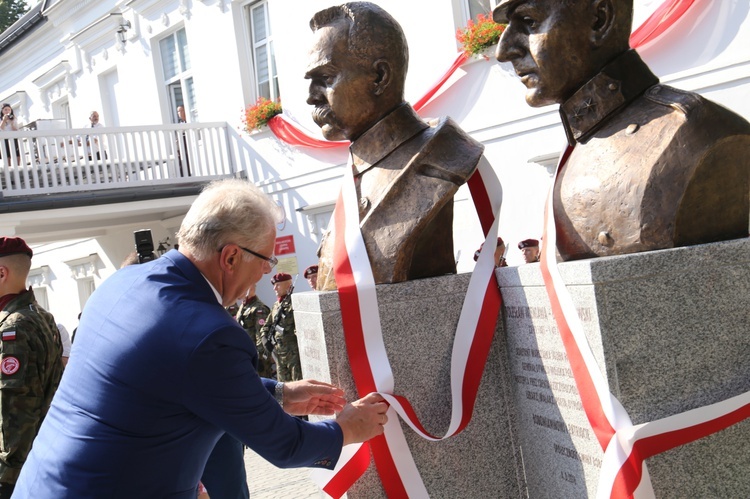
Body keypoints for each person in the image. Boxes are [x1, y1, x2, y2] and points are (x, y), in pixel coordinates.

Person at [14, 178, 388, 497]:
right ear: (229, 258)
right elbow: (285, 445)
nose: (263, 273)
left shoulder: (124, 282)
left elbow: (169, 376)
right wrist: (347, 428)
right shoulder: (209, 332)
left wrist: (280, 393)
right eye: (265, 260)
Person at [494, 0, 750, 261]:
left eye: (529, 22)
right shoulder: (578, 144)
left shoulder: (695, 132)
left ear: (599, 21)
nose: (503, 51)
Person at [307, 2, 485, 290]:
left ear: (380, 77)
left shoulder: (446, 156)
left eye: (325, 78)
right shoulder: (359, 168)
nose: (311, 97)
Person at [0, 237, 63, 499]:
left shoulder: (13, 327)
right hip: (41, 457)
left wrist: (6, 477)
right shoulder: (41, 315)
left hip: (15, 472)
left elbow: (14, 407)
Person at [259, 272, 301, 383]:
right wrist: (265, 340)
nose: (274, 288)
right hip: (279, 354)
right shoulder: (276, 305)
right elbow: (266, 326)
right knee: (283, 386)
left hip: (293, 354)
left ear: (288, 286)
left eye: (277, 285)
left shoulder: (295, 303)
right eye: (274, 285)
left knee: (297, 384)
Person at [236, 283, 274, 378]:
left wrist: (260, 358)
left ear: (253, 288)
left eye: (248, 287)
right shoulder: (243, 306)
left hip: (256, 354)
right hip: (246, 352)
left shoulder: (259, 308)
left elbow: (261, 335)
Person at [176, 105, 191, 176]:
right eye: (178, 111)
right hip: (182, 146)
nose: (180, 113)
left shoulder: (189, 121)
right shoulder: (180, 123)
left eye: (182, 111)